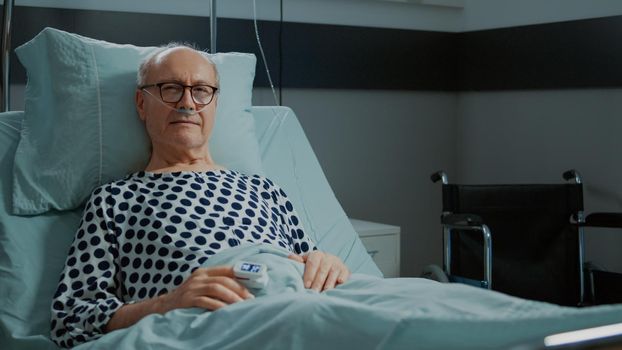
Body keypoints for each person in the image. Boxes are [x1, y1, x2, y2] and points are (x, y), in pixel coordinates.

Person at [49, 44, 350, 348]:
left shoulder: (264, 190)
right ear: (141, 103)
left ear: (215, 104)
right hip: (212, 324)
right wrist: (168, 303)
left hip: (304, 304)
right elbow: (70, 320)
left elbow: (314, 266)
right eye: (171, 88)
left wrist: (327, 264)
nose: (188, 103)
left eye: (202, 90)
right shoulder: (114, 200)